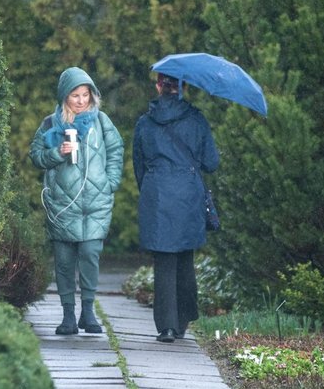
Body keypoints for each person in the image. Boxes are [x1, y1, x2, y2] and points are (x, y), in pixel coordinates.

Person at [30, 67, 124, 335]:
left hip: (96, 203)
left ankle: (88, 312)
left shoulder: (101, 121)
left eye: (86, 94)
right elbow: (35, 155)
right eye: (75, 95)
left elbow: (116, 149)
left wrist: (111, 183)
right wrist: (58, 152)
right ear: (64, 97)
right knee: (63, 261)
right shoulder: (51, 124)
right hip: (62, 205)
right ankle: (68, 315)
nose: (82, 101)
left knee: (90, 255)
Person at [132, 74, 219, 342]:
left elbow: (139, 166)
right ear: (184, 88)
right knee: (185, 258)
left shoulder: (145, 123)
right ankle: (183, 320)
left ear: (158, 86)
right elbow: (211, 163)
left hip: (157, 194)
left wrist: (150, 190)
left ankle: (166, 327)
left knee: (164, 261)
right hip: (188, 195)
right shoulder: (197, 119)